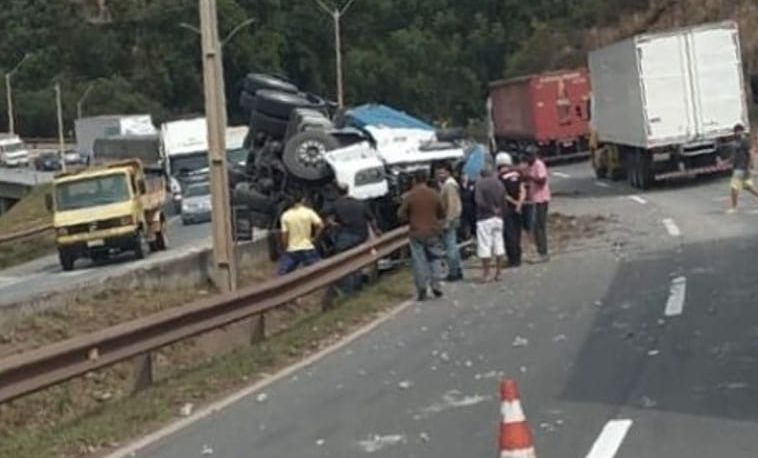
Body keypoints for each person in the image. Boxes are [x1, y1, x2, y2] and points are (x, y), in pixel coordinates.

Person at [398, 170, 446, 301]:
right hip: (433, 230)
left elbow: (401, 215)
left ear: (414, 180)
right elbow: (442, 212)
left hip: (416, 231)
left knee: (419, 261)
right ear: (426, 179)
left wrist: (410, 217)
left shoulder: (410, 196)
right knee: (435, 258)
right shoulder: (434, 194)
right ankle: (436, 285)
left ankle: (422, 288)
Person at [324, 182, 381, 292]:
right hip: (361, 236)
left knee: (344, 261)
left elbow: (327, 218)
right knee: (357, 260)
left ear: (337, 192)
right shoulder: (359, 203)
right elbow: (371, 219)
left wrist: (333, 224)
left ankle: (348, 289)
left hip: (346, 236)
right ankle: (357, 286)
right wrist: (376, 230)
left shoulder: (336, 204)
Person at [277, 191, 324, 275]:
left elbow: (284, 235)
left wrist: (285, 248)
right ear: (303, 200)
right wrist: (315, 239)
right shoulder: (309, 212)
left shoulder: (286, 215)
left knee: (282, 274)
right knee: (319, 272)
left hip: (292, 249)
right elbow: (320, 225)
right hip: (307, 247)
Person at [475, 165, 507, 282]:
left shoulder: (480, 184)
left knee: (485, 246)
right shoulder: (499, 183)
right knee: (499, 244)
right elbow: (504, 199)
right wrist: (500, 211)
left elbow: (479, 201)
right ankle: (499, 272)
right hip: (498, 218)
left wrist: (490, 208)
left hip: (484, 218)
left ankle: (486, 273)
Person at [496, 152, 526, 268]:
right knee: (518, 233)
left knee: (509, 234)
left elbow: (503, 194)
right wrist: (519, 204)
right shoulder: (518, 174)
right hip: (519, 208)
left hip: (507, 209)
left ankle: (513, 259)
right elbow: (522, 190)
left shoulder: (500, 178)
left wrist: (513, 203)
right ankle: (518, 257)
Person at [523, 146, 551, 263]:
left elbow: (542, 180)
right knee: (536, 227)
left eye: (530, 156)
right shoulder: (531, 166)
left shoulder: (538, 165)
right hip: (536, 199)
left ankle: (543, 253)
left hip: (542, 199)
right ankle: (541, 251)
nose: (528, 158)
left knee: (539, 227)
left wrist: (530, 177)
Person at [437, 163, 464, 281]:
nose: (439, 175)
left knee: (450, 247)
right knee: (452, 246)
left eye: (442, 172)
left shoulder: (449, 186)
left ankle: (453, 272)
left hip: (449, 220)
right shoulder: (448, 185)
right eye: (438, 173)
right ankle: (457, 269)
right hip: (451, 219)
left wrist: (448, 221)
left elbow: (453, 205)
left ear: (448, 172)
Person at [728, 124, 758, 213]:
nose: (737, 133)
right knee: (749, 187)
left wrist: (750, 166)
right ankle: (734, 206)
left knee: (734, 187)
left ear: (742, 131)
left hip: (742, 167)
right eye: (736, 131)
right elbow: (733, 156)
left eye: (739, 131)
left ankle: (734, 207)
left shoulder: (745, 141)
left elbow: (751, 153)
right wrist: (725, 162)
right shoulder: (736, 142)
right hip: (737, 167)